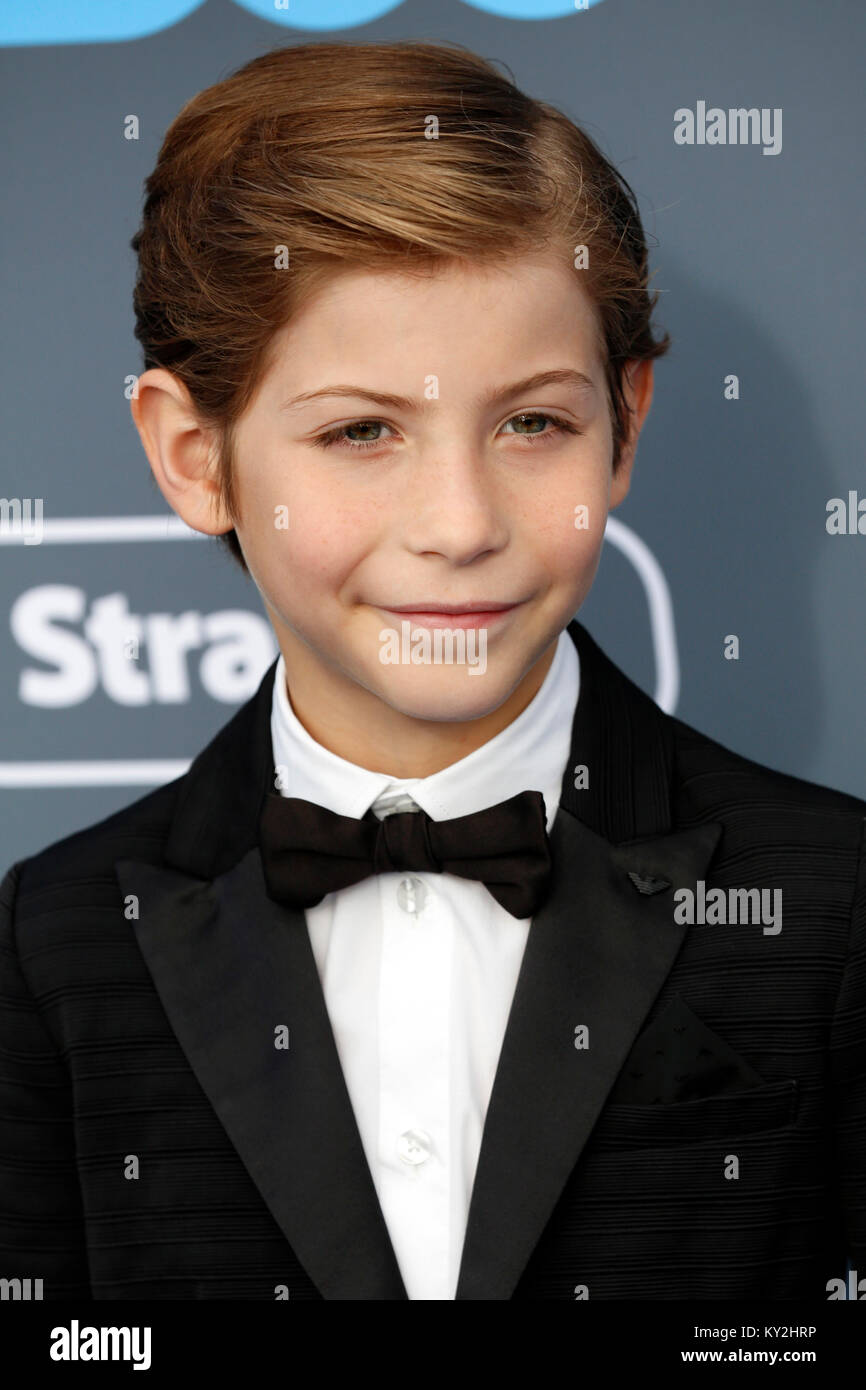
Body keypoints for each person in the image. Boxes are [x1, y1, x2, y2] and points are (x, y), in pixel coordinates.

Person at [1, 40, 863, 1302]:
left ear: (624, 421)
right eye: (361, 432)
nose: (459, 523)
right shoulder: (53, 947)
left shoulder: (834, 905)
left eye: (532, 423)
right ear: (194, 455)